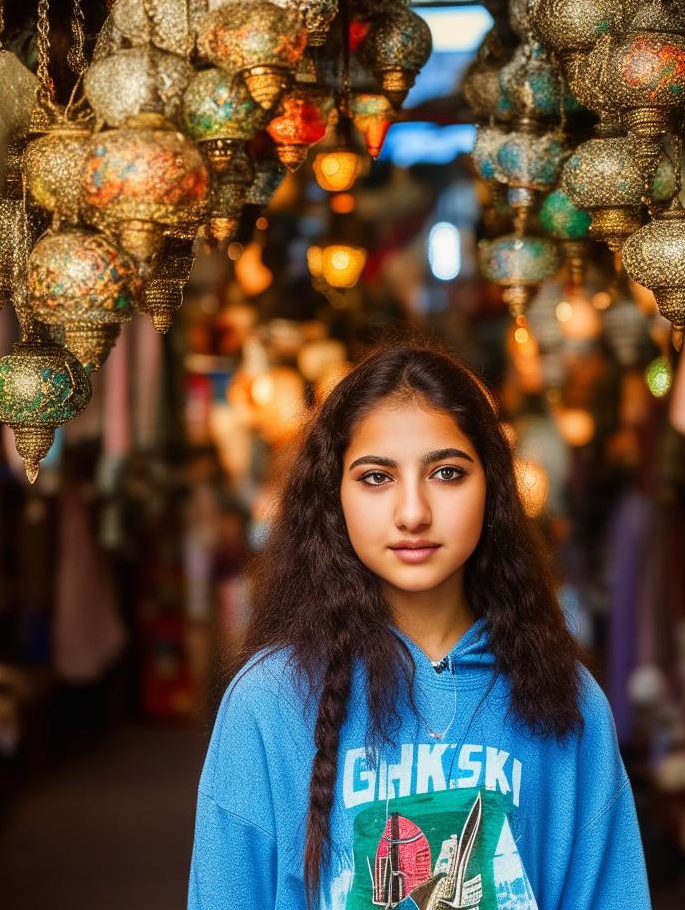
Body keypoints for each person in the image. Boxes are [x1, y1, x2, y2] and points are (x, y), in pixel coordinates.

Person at [188, 343, 651, 910]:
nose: (413, 512)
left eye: (447, 473)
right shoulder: (269, 701)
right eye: (377, 477)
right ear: (335, 497)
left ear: (494, 489)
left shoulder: (565, 701)